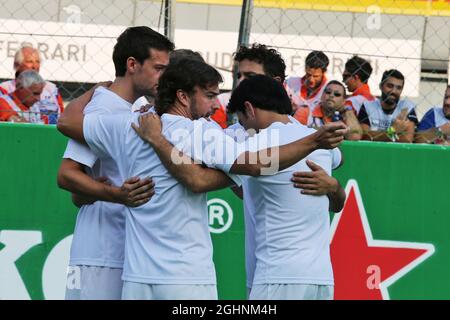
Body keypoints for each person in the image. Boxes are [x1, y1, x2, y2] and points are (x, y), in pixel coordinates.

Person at [57, 59, 348, 300]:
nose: (214, 105)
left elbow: (67, 121)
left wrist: (98, 90)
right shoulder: (202, 132)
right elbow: (252, 167)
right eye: (209, 95)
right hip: (188, 279)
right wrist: (313, 143)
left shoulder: (130, 125)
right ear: (184, 96)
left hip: (136, 277)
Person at [218, 43, 345, 296]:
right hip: (320, 278)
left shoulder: (248, 144)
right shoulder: (317, 140)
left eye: (249, 78)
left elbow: (195, 168)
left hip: (276, 274)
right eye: (239, 76)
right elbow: (336, 159)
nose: (241, 83)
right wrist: (334, 188)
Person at [56, 26, 173, 300]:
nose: (164, 77)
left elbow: (79, 193)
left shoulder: (142, 108)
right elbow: (67, 175)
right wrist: (115, 194)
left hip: (131, 249)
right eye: (158, 68)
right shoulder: (102, 108)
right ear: (132, 64)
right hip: (100, 252)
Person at [211, 43, 287, 129]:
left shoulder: (299, 136)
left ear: (275, 82)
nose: (240, 81)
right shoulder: (230, 134)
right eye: (239, 76)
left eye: (250, 76)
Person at [0, 46, 64, 123]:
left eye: (37, 62)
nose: (34, 66)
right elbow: (16, 122)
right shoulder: (4, 89)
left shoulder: (51, 88)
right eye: (29, 62)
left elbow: (62, 116)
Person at [358, 69, 418, 143]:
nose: (393, 91)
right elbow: (365, 136)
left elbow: (407, 139)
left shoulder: (406, 107)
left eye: (398, 88)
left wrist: (377, 135)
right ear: (381, 86)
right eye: (390, 86)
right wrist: (393, 130)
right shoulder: (367, 106)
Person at [285, 50, 330, 125]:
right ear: (305, 68)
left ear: (324, 72)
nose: (311, 79)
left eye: (316, 76)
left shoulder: (330, 89)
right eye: (308, 74)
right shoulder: (290, 83)